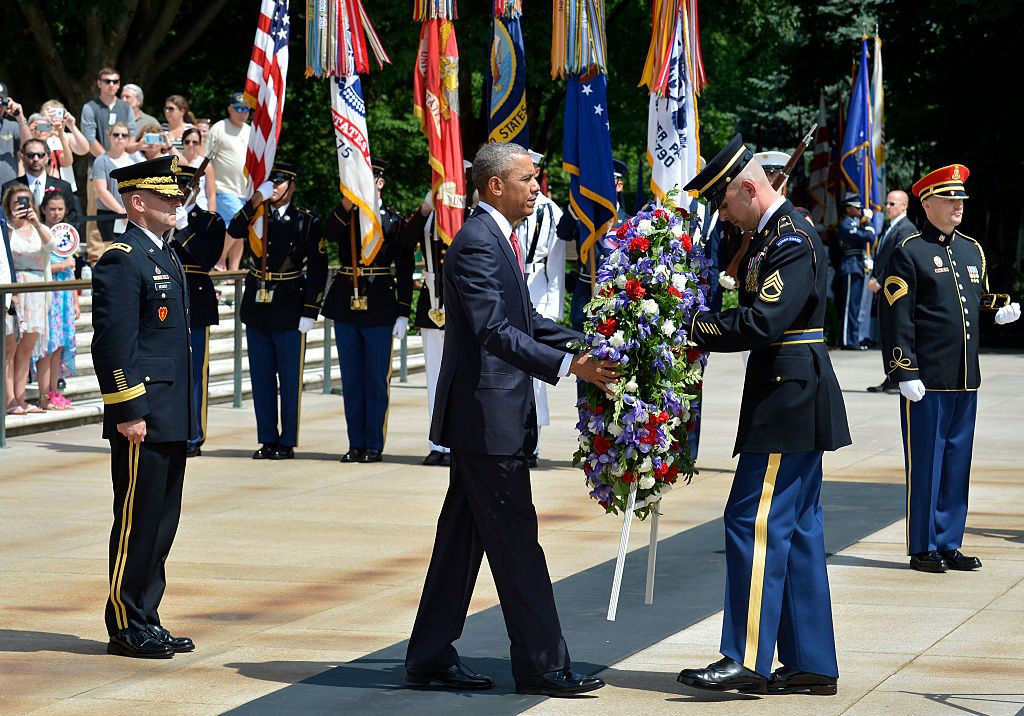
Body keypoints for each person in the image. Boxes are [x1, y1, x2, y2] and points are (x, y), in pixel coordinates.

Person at [405, 142, 616, 697]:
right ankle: (542, 664)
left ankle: (429, 655)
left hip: (490, 418)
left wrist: (591, 342)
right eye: (528, 179)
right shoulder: (477, 242)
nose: (537, 188)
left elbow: (526, 320)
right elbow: (493, 332)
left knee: (460, 543)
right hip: (485, 421)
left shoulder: (495, 237)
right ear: (494, 185)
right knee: (518, 543)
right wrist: (573, 365)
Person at [676, 134, 851, 696]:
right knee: (796, 531)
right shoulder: (767, 236)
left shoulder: (790, 240)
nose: (723, 216)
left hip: (788, 397)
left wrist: (692, 328)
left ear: (750, 189)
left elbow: (762, 324)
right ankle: (811, 662)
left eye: (726, 204)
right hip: (787, 394)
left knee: (750, 520)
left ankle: (747, 657)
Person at [879, 164, 1020, 574]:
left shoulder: (971, 249)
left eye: (961, 199)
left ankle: (948, 541)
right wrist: (904, 370)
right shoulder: (909, 252)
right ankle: (922, 545)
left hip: (964, 378)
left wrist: (999, 310)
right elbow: (897, 316)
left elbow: (976, 296)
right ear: (927, 203)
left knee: (957, 463)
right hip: (926, 379)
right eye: (950, 199)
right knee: (926, 463)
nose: (959, 205)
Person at [91, 155, 194, 658]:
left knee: (161, 522)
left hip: (172, 411)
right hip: (144, 414)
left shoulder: (164, 253)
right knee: (136, 520)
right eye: (166, 196)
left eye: (178, 195)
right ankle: (125, 622)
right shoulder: (122, 257)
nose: (176, 203)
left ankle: (147, 616)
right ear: (137, 202)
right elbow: (113, 344)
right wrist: (127, 408)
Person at [227, 161, 326, 460]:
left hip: (289, 306)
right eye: (271, 182)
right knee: (261, 377)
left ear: (291, 186)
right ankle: (267, 437)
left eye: (280, 182)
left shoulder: (305, 220)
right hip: (258, 306)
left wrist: (311, 310)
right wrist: (255, 199)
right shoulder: (256, 215)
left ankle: (287, 440)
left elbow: (319, 269)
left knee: (289, 380)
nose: (275, 187)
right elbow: (233, 228)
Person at [322, 158, 414, 463]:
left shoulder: (393, 220)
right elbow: (326, 235)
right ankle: (355, 443)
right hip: (347, 304)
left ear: (380, 183)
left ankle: (374, 443)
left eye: (369, 179)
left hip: (379, 304)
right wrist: (346, 205)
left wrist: (404, 310)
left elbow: (404, 268)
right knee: (352, 380)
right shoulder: (346, 216)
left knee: (376, 380)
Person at [400, 161, 475, 467]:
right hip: (433, 307)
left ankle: (463, 440)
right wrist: (425, 208)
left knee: (466, 379)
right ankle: (437, 443)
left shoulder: (473, 217)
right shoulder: (428, 218)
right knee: (435, 377)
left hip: (466, 309)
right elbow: (404, 243)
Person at [515, 149, 565, 466]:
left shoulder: (549, 212)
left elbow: (555, 267)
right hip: (512, 287)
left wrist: (550, 312)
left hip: (536, 292)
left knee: (534, 376)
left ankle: (532, 442)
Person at [172, 165, 226, 458]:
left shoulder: (209, 221)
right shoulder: (157, 219)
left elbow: (207, 258)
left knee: (194, 372)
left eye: (184, 186)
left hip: (194, 300)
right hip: (162, 302)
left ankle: (193, 434)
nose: (179, 192)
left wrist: (183, 230)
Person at [2, 185, 56, 414]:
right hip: (12, 290)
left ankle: (21, 398)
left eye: (26, 202)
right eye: (17, 203)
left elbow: (52, 246)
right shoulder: (5, 230)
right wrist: (12, 224)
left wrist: (35, 223)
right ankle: (9, 399)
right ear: (9, 206)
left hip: (36, 292)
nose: (22, 207)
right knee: (9, 348)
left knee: (26, 349)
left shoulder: (39, 228)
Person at [81, 68, 137, 264]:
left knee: (127, 213)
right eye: (106, 81)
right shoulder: (90, 107)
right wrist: (106, 160)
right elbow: (89, 140)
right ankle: (96, 258)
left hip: (124, 167)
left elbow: (129, 137)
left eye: (115, 81)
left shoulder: (126, 108)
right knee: (97, 213)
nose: (111, 84)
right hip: (99, 166)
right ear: (99, 83)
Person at [866, 190, 917, 394]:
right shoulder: (892, 227)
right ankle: (890, 376)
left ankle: (897, 377)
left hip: (894, 290)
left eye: (892, 204)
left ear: (904, 206)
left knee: (894, 333)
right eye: (887, 203)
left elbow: (898, 261)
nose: (888, 207)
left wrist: (880, 281)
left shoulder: (906, 229)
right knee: (886, 334)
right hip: (884, 289)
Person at [33, 192, 79, 410]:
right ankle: (43, 396)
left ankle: (54, 392)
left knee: (59, 345)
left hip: (65, 296)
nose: (56, 213)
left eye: (60, 209)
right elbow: (36, 267)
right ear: (43, 210)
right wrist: (62, 266)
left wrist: (76, 302)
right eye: (52, 209)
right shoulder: (38, 233)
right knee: (47, 347)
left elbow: (71, 271)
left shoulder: (67, 233)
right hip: (47, 294)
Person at [2, 138, 83, 236]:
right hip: (22, 241)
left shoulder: (63, 186)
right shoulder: (10, 187)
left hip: (54, 242)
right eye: (30, 155)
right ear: (23, 157)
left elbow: (73, 218)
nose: (36, 159)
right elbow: (3, 217)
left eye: (40, 155)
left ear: (47, 157)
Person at [207, 93, 251, 271]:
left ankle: (233, 271)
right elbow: (207, 159)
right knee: (237, 224)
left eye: (246, 109)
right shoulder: (219, 128)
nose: (243, 113)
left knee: (240, 233)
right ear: (230, 109)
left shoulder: (250, 130)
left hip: (245, 190)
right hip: (224, 188)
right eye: (239, 109)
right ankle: (219, 257)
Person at [833, 193, 875, 349]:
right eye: (856, 208)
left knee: (855, 306)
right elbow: (869, 237)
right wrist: (869, 222)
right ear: (849, 209)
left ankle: (853, 339)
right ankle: (846, 340)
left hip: (856, 265)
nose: (859, 211)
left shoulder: (854, 223)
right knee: (849, 306)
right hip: (850, 266)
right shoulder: (847, 224)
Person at [91, 123, 138, 246]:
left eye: (124, 135)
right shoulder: (101, 161)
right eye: (116, 134)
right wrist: (121, 211)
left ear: (128, 138)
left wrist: (131, 211)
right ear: (109, 137)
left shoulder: (135, 160)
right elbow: (101, 190)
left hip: (132, 214)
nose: (120, 137)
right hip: (109, 215)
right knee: (113, 252)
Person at [1, 82, 31, 187]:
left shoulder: (12, 127)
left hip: (7, 194)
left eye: (1, 101)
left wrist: (20, 117)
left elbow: (29, 147)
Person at [180, 127, 216, 213]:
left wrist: (211, 216)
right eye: (187, 142)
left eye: (195, 142)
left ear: (200, 144)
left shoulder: (206, 166)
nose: (191, 145)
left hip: (200, 210)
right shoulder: (175, 163)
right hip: (180, 210)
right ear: (183, 143)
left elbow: (211, 195)